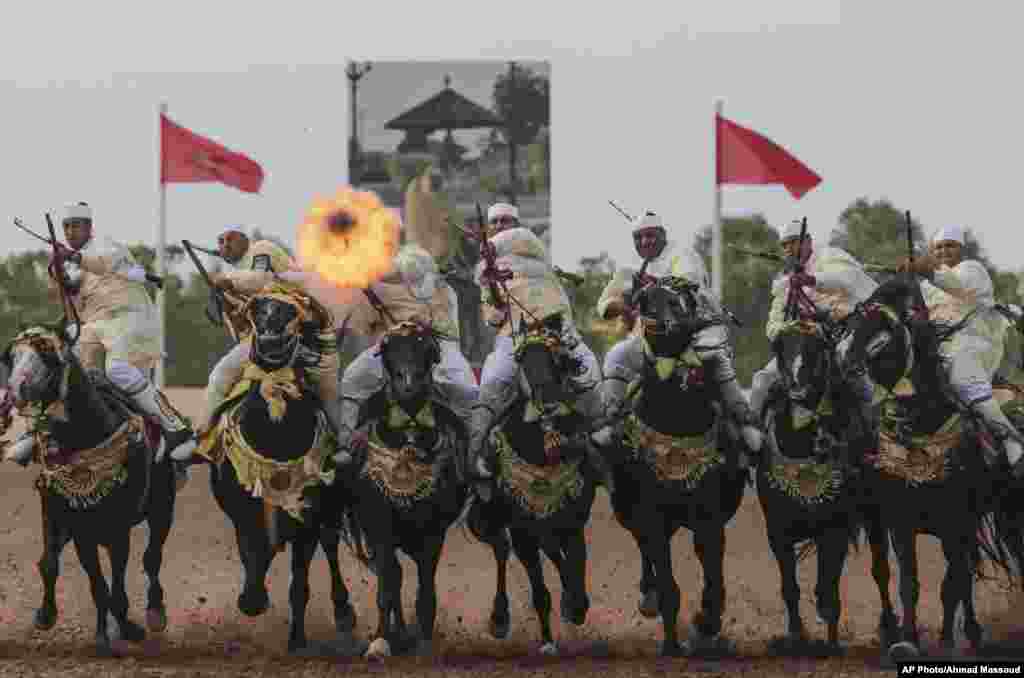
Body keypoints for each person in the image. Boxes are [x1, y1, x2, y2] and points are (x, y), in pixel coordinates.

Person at [4, 202, 195, 485]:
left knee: (118, 371)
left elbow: (100, 264)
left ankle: (175, 425)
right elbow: (73, 298)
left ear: (89, 228)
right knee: (65, 371)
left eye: (77, 226)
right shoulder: (72, 260)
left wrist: (70, 257)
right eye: (67, 227)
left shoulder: (106, 245)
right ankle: (37, 433)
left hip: (129, 319)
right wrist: (59, 275)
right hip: (93, 326)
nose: (71, 231)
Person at [596, 210, 763, 465]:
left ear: (662, 235)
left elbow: (688, 282)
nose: (645, 242)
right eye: (639, 238)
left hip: (691, 334)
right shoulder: (629, 266)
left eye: (650, 236)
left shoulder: (682, 254)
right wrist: (624, 302)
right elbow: (604, 305)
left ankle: (744, 424)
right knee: (616, 356)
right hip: (648, 338)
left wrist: (653, 284)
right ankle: (610, 422)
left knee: (715, 358)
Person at [467, 210, 606, 482]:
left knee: (589, 369)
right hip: (513, 336)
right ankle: (475, 454)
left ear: (517, 224)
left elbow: (522, 238)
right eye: (494, 222)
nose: (499, 225)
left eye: (505, 220)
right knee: (492, 381)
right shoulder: (486, 271)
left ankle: (602, 439)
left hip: (560, 332)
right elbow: (494, 318)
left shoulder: (535, 250)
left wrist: (491, 250)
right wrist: (493, 285)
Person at [186, 227, 343, 454]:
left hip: (304, 334)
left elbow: (261, 279)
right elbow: (240, 325)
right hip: (262, 341)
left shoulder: (261, 250)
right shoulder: (237, 278)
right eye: (220, 242)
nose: (224, 244)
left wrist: (226, 282)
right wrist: (225, 303)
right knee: (219, 376)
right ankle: (203, 437)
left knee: (328, 391)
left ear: (245, 241)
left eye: (230, 238)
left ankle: (345, 443)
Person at [333, 243, 478, 464]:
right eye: (407, 273)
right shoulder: (381, 288)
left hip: (437, 344)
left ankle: (474, 454)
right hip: (393, 344)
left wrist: (423, 324)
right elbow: (367, 323)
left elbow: (448, 330)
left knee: (466, 388)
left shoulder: (445, 289)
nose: (412, 277)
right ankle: (346, 445)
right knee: (353, 377)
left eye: (416, 272)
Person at [899, 225, 1024, 477]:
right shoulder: (926, 287)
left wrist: (924, 269)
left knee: (961, 370)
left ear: (961, 249)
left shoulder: (972, 270)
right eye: (938, 247)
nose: (944, 251)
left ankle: (1012, 442)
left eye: (949, 246)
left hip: (976, 343)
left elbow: (955, 284)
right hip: (938, 348)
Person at [747, 221, 878, 450]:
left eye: (794, 242)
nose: (789, 249)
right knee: (761, 381)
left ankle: (877, 435)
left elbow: (845, 280)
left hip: (844, 337)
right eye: (785, 245)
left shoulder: (830, 256)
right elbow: (772, 326)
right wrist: (787, 329)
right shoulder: (785, 280)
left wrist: (811, 280)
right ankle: (751, 447)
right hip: (800, 347)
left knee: (859, 380)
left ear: (807, 241)